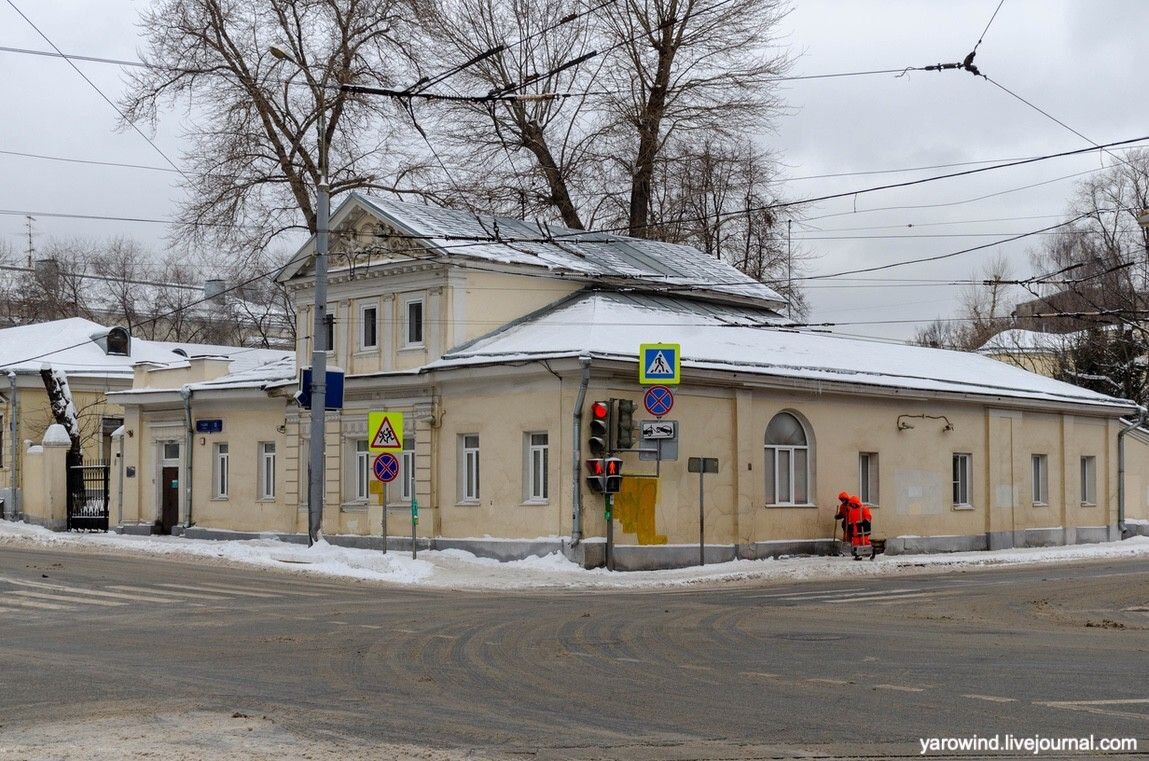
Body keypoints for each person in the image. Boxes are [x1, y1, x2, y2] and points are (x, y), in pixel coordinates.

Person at [847, 495, 873, 560]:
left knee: (864, 541)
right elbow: (850, 520)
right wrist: (850, 527)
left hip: (862, 528)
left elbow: (868, 517)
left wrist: (864, 522)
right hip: (855, 529)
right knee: (856, 542)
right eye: (851, 504)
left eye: (853, 504)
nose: (852, 505)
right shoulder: (851, 510)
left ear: (856, 503)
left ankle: (871, 552)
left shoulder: (863, 509)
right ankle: (858, 554)